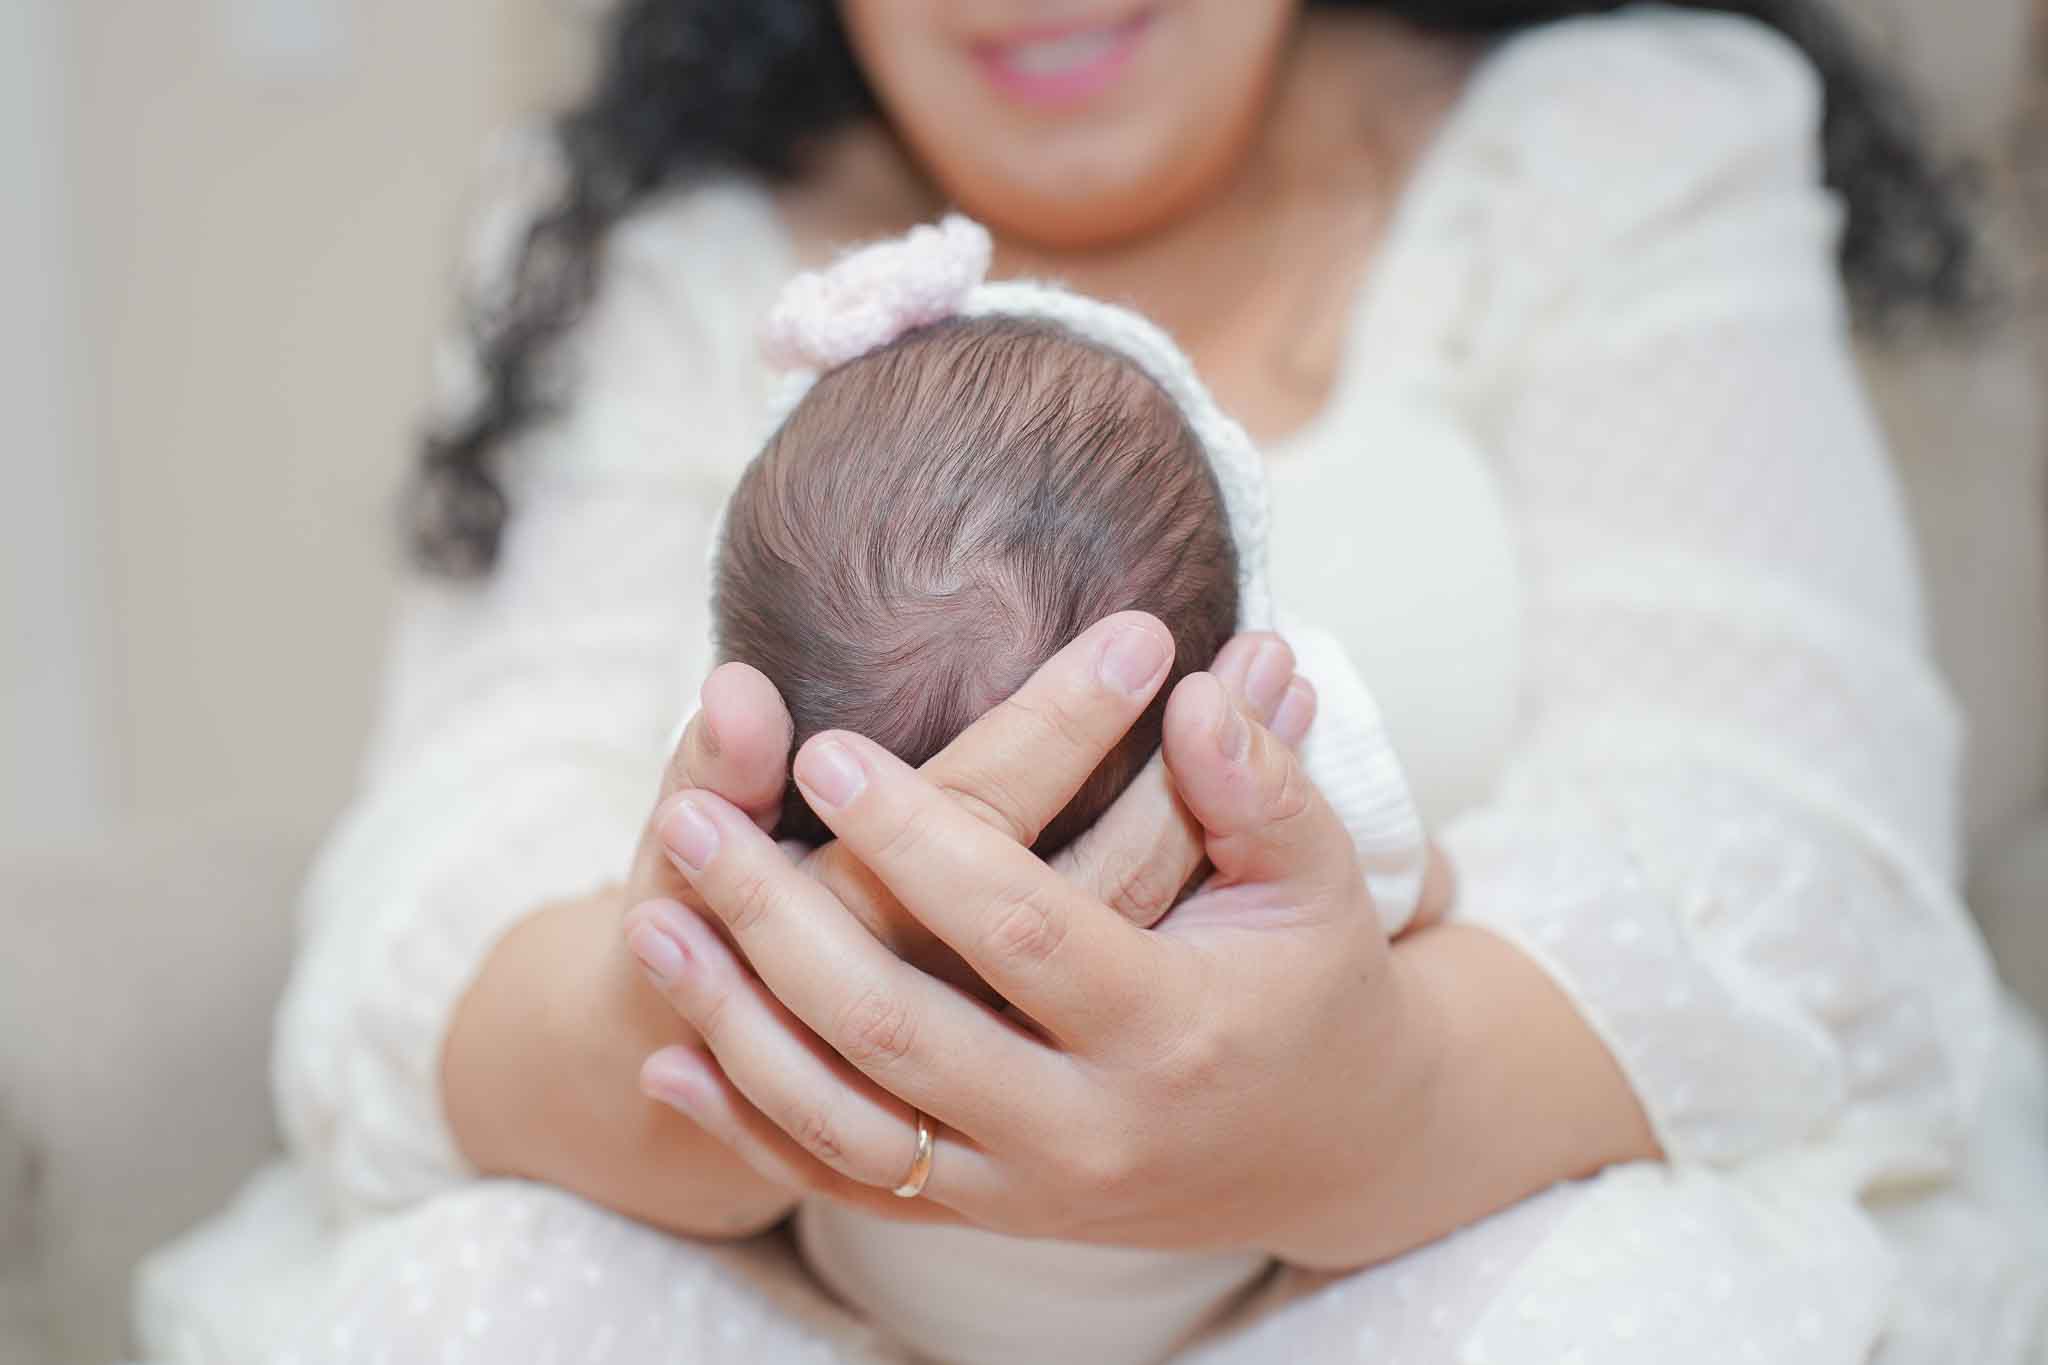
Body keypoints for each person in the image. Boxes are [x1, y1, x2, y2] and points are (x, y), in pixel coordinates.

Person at [134, 1, 2048, 1361]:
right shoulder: (649, 248)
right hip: (786, 1279)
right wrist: (711, 998)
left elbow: (1797, 854)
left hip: (1427, 1236)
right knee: (463, 1309)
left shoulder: (1618, 142)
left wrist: (1366, 1086)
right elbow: (430, 893)